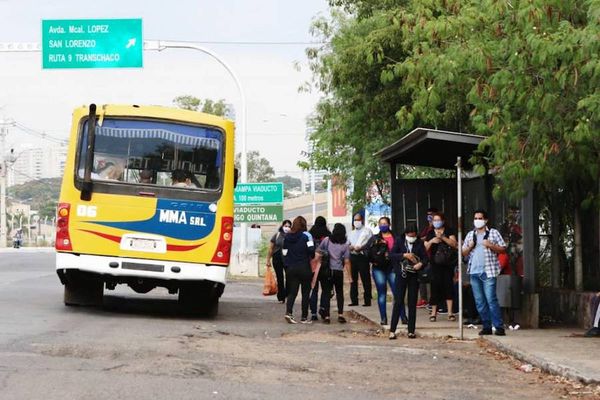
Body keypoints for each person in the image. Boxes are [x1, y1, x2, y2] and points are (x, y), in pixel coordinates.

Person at [462, 209, 507, 336]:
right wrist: (470, 246)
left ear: (486, 220)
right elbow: (463, 252)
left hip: (488, 271)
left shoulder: (493, 233)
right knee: (479, 301)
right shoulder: (471, 235)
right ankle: (486, 326)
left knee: (491, 299)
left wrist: (490, 245)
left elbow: (503, 249)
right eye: (475, 218)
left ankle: (498, 326)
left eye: (480, 218)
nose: (477, 221)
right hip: (474, 272)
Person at [389, 225, 428, 339]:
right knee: (398, 301)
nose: (411, 237)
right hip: (401, 275)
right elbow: (391, 255)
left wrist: (420, 264)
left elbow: (425, 258)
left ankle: (411, 330)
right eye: (409, 235)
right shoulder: (399, 241)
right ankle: (392, 330)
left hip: (414, 275)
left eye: (413, 235)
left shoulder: (419, 243)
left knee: (412, 302)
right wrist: (404, 255)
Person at [424, 212, 458, 322]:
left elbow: (454, 244)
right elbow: (425, 248)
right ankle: (434, 313)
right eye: (435, 220)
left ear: (443, 221)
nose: (436, 222)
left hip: (447, 264)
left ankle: (450, 312)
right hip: (435, 264)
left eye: (438, 220)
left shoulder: (449, 231)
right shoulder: (430, 233)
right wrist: (432, 241)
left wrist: (443, 237)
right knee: (435, 287)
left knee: (448, 286)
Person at [315, 223, 351, 324]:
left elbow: (318, 252)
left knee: (326, 293)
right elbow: (347, 261)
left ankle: (327, 316)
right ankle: (340, 315)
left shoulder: (327, 240)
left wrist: (316, 264)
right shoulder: (345, 244)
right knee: (339, 293)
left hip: (327, 271)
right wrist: (350, 277)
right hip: (338, 271)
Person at [369, 217, 402, 326]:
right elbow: (367, 252)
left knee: (397, 293)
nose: (383, 225)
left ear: (389, 224)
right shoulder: (374, 238)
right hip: (379, 268)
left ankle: (403, 317)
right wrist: (374, 260)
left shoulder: (396, 237)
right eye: (381, 224)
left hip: (392, 267)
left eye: (385, 223)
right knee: (381, 293)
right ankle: (383, 318)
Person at [283, 216, 315, 324]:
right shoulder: (307, 236)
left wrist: (287, 263)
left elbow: (284, 252)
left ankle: (289, 313)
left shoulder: (287, 237)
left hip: (291, 268)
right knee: (305, 293)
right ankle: (304, 317)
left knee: (292, 292)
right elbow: (311, 250)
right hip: (304, 267)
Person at [308, 216, 331, 321]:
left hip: (313, 266)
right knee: (326, 290)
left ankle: (313, 313)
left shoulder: (310, 235)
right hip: (325, 266)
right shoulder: (328, 235)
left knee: (314, 289)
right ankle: (323, 308)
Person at [348, 212, 373, 307]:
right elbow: (347, 243)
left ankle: (367, 300)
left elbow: (370, 244)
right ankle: (354, 300)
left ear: (361, 220)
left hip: (363, 257)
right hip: (353, 256)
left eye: (358, 220)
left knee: (365, 279)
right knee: (353, 279)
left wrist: (361, 248)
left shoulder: (367, 231)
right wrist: (350, 247)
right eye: (355, 220)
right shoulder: (351, 233)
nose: (356, 222)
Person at [266, 220, 292, 303]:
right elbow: (270, 248)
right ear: (282, 226)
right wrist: (268, 260)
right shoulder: (277, 235)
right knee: (280, 278)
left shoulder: (292, 235)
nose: (287, 228)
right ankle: (281, 297)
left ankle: (287, 294)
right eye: (285, 226)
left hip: (288, 258)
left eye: (289, 226)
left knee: (289, 277)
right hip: (277, 258)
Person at [417, 207, 438, 309]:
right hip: (425, 255)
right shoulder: (427, 228)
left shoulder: (437, 227)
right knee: (422, 278)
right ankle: (423, 299)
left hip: (435, 256)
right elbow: (420, 239)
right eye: (428, 214)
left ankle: (432, 301)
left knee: (432, 279)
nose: (429, 216)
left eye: (432, 214)